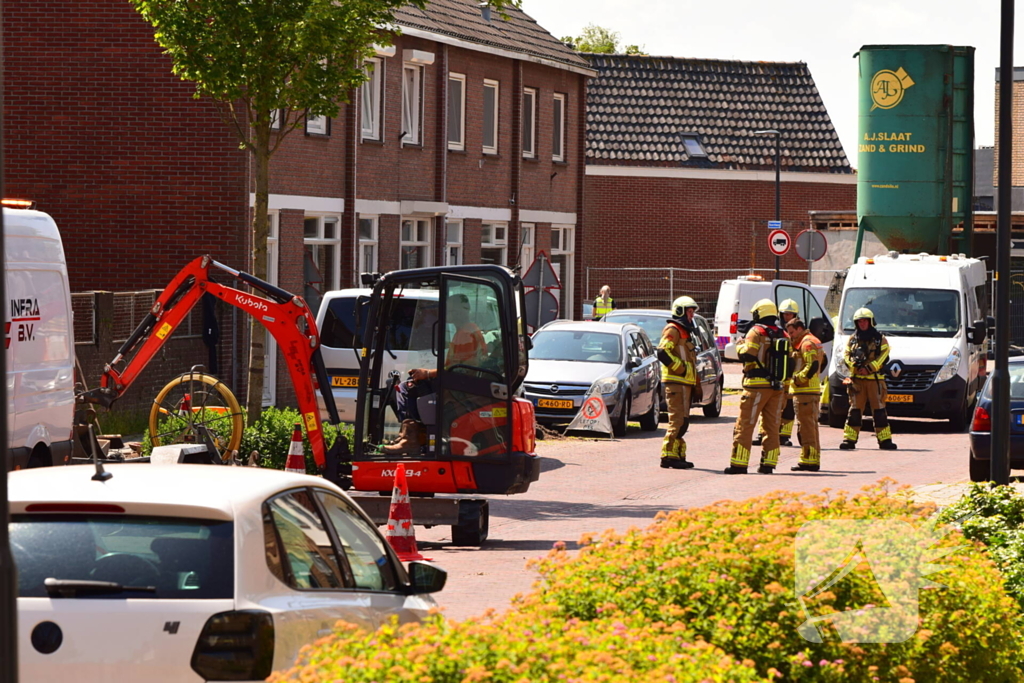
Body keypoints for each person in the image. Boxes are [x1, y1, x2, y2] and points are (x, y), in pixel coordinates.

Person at [383, 294, 486, 455]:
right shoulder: (468, 330)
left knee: (405, 388)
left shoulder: (465, 334)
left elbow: (458, 370)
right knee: (412, 383)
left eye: (450, 310)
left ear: (459, 311)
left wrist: (428, 373)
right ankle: (414, 435)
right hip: (460, 383)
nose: (447, 313)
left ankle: (411, 438)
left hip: (458, 387)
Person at [725, 299, 789, 475]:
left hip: (756, 386)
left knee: (745, 425)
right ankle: (768, 464)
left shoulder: (756, 332)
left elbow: (748, 355)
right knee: (772, 426)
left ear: (758, 313)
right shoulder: (783, 333)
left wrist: (740, 344)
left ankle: (739, 464)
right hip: (777, 386)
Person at [839, 307, 897, 451]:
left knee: (879, 411)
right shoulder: (852, 339)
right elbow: (846, 355)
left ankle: (885, 440)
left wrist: (869, 368)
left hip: (875, 381)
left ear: (871, 322)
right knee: (854, 411)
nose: (862, 324)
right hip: (857, 381)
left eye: (865, 321)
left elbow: (884, 356)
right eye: (859, 321)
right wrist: (855, 367)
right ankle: (849, 440)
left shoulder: (880, 339)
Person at [657, 296, 701, 469]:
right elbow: (662, 351)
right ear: (681, 312)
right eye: (689, 312)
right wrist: (681, 369)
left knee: (683, 422)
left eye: (692, 312)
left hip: (685, 384)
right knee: (677, 421)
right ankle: (667, 456)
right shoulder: (673, 329)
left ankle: (678, 455)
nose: (692, 316)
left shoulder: (685, 332)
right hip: (676, 383)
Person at [754, 298, 799, 447]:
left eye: (790, 314)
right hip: (774, 373)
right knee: (768, 406)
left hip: (789, 375)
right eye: (785, 314)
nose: (787, 317)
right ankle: (762, 434)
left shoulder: (798, 331)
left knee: (788, 407)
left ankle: (784, 435)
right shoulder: (776, 329)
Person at [786, 317, 825, 471]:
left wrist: (797, 379)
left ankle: (810, 461)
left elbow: (812, 365)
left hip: (805, 391)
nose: (791, 335)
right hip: (810, 391)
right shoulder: (813, 340)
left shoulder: (807, 343)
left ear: (800, 329)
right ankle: (809, 459)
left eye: (792, 332)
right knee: (810, 426)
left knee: (806, 428)